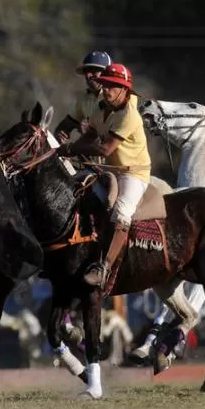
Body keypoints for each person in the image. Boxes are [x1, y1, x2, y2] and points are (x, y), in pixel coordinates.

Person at [57, 64, 152, 289]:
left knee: (120, 214)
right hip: (111, 171)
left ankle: (104, 267)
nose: (107, 89)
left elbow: (105, 149)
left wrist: (69, 150)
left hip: (133, 173)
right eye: (106, 84)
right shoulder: (101, 107)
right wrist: (67, 148)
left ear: (124, 90)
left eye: (113, 86)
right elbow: (90, 135)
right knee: (79, 195)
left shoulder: (130, 115)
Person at [54, 51, 113, 144]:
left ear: (107, 73)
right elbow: (63, 127)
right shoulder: (83, 100)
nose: (88, 75)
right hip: (93, 155)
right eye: (86, 71)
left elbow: (116, 133)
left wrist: (90, 130)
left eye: (94, 70)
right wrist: (60, 134)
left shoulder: (117, 99)